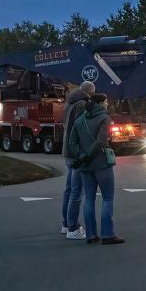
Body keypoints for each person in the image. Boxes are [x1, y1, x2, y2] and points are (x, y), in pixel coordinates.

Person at [68, 92, 124, 245]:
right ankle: (107, 234)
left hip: (85, 167)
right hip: (102, 164)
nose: (107, 104)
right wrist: (88, 155)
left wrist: (81, 156)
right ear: (100, 103)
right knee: (107, 198)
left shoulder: (80, 120)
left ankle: (91, 235)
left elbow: (72, 142)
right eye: (106, 102)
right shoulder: (104, 118)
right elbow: (101, 141)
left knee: (89, 198)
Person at [60, 80, 95, 240]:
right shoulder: (81, 105)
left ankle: (66, 223)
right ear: (90, 93)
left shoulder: (70, 103)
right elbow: (82, 130)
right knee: (77, 191)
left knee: (69, 190)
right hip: (76, 153)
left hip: (67, 151)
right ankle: (73, 228)